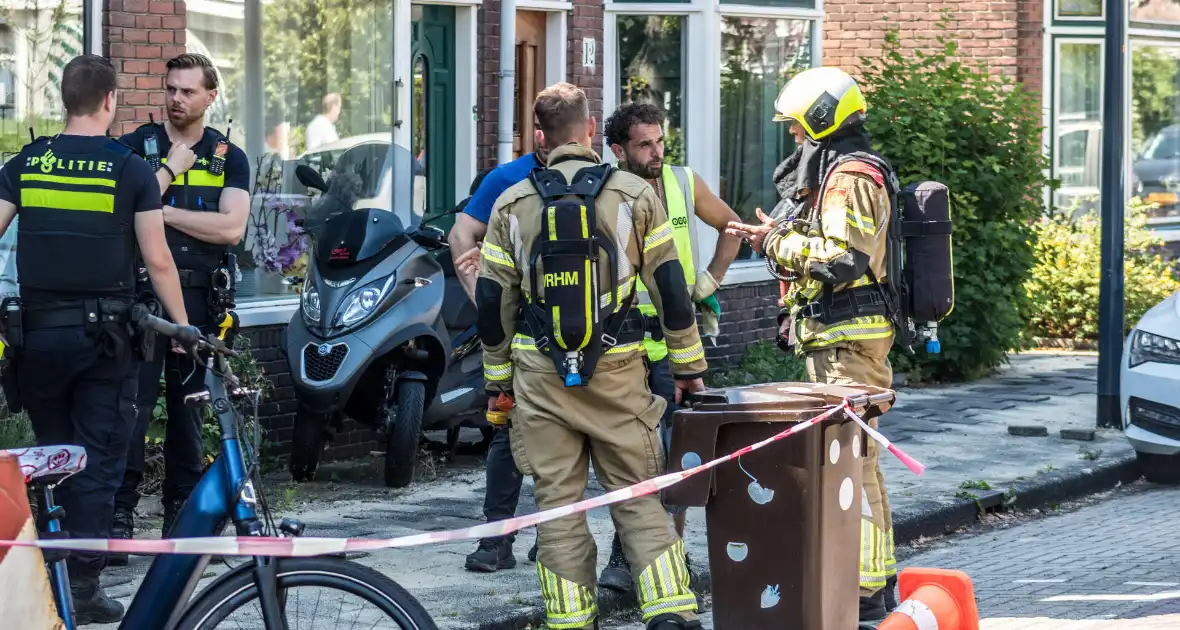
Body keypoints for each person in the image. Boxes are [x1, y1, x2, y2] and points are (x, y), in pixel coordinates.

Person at [478, 82, 706, 630]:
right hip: (620, 370)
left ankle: (572, 619)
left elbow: (492, 301)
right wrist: (688, 367)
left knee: (558, 503)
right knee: (637, 496)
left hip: (539, 376)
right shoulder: (632, 194)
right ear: (589, 129)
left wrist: (497, 378)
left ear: (539, 136)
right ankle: (670, 612)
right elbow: (672, 290)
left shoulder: (512, 203)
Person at [0, 54, 194, 624]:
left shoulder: (27, 163)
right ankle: (80, 587)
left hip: (36, 341)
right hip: (103, 343)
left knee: (52, 458)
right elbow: (158, 260)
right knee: (99, 459)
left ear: (65, 99)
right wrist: (182, 328)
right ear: (111, 101)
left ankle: (44, 582)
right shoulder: (129, 169)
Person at [724, 66, 899, 623]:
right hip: (835, 335)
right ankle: (872, 580)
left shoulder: (849, 177)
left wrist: (777, 239)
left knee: (857, 460)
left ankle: (869, 588)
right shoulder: (838, 172)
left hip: (849, 338)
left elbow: (842, 259)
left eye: (798, 128)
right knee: (856, 458)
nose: (794, 138)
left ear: (822, 118)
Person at [596, 102, 741, 592]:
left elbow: (732, 226)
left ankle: (667, 560)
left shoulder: (681, 181)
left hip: (677, 336)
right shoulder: (605, 192)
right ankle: (631, 555)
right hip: (625, 335)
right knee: (634, 448)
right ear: (618, 150)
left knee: (679, 445)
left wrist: (708, 281)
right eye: (644, 145)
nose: (656, 152)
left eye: (659, 141)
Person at [111, 53, 251, 555]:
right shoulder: (135, 148)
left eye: (187, 91)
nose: (175, 99)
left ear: (210, 96)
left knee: (190, 412)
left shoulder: (228, 157)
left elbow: (231, 228)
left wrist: (159, 211)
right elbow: (121, 217)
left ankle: (182, 520)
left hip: (203, 298)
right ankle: (119, 517)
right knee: (131, 408)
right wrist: (160, 202)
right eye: (170, 88)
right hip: (143, 298)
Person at [448, 128, 548, 573]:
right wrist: (483, 303)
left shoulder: (601, 181)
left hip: (583, 340)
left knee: (559, 440)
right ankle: (498, 539)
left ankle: (551, 537)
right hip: (520, 337)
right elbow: (461, 236)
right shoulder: (507, 179)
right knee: (508, 431)